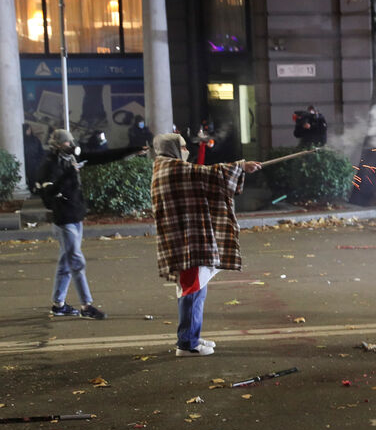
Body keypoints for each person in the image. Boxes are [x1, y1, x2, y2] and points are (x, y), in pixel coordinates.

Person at [150, 133, 261, 357]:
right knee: (192, 290)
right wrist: (241, 166)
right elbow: (208, 174)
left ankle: (192, 336)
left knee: (196, 288)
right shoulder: (170, 168)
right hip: (188, 242)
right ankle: (187, 344)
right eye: (182, 146)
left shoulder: (168, 167)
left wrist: (239, 168)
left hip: (189, 240)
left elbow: (200, 177)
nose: (185, 150)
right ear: (172, 148)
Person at [36, 129, 147, 319]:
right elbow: (49, 193)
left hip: (75, 216)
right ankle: (87, 306)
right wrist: (69, 174)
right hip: (64, 220)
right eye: (66, 144)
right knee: (77, 263)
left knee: (66, 262)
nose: (71, 146)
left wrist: (132, 150)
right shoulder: (50, 165)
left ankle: (59, 304)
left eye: (71, 143)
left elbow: (102, 156)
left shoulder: (71, 158)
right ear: (56, 145)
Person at [22, 124, 44, 194]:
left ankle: (37, 191)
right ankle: (32, 190)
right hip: (26, 163)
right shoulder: (21, 140)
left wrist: (39, 160)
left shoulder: (35, 139)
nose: (29, 131)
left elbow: (41, 151)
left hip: (35, 162)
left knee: (37, 178)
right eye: (27, 129)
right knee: (29, 179)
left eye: (29, 129)